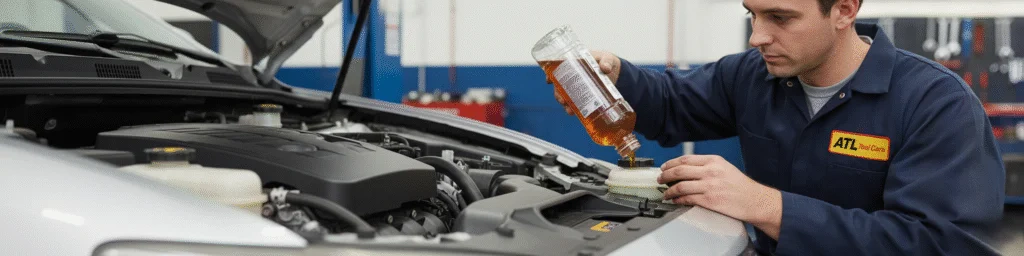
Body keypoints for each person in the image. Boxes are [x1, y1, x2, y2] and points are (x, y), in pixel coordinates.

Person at [552, 0, 1006, 254]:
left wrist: (768, 206)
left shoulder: (935, 103)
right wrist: (618, 77)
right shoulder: (751, 76)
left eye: (780, 17)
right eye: (752, 14)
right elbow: (672, 102)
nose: (757, 36)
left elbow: (944, 245)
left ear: (844, 9)